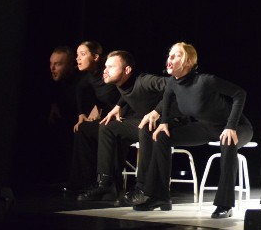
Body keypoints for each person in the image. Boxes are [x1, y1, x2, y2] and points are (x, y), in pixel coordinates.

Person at [133, 42, 253, 216]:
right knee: (162, 136)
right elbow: (167, 98)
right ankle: (160, 196)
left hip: (236, 127)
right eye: (170, 54)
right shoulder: (173, 83)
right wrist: (164, 122)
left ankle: (225, 205)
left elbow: (239, 94)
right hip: (206, 128)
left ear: (188, 62)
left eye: (176, 55)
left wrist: (231, 126)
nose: (170, 58)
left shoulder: (205, 81)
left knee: (227, 141)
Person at [77, 50, 169, 204]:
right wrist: (119, 105)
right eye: (105, 66)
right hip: (145, 123)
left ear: (127, 70)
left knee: (145, 128)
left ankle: (144, 188)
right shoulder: (123, 84)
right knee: (107, 126)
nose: (105, 70)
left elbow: (173, 87)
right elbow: (128, 92)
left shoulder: (145, 80)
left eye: (111, 67)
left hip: (166, 123)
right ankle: (105, 184)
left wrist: (157, 111)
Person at [68, 41, 121, 193]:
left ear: (96, 57)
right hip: (108, 118)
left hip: (124, 117)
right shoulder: (90, 77)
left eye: (83, 54)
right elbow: (79, 89)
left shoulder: (110, 71)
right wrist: (82, 114)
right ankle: (82, 182)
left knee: (91, 130)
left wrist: (115, 110)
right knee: (82, 128)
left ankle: (104, 183)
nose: (78, 58)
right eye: (77, 55)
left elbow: (125, 92)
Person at [45, 46, 81, 183]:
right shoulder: (57, 80)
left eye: (58, 64)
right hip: (66, 119)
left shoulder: (82, 80)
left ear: (71, 65)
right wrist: (54, 105)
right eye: (51, 63)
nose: (52, 68)